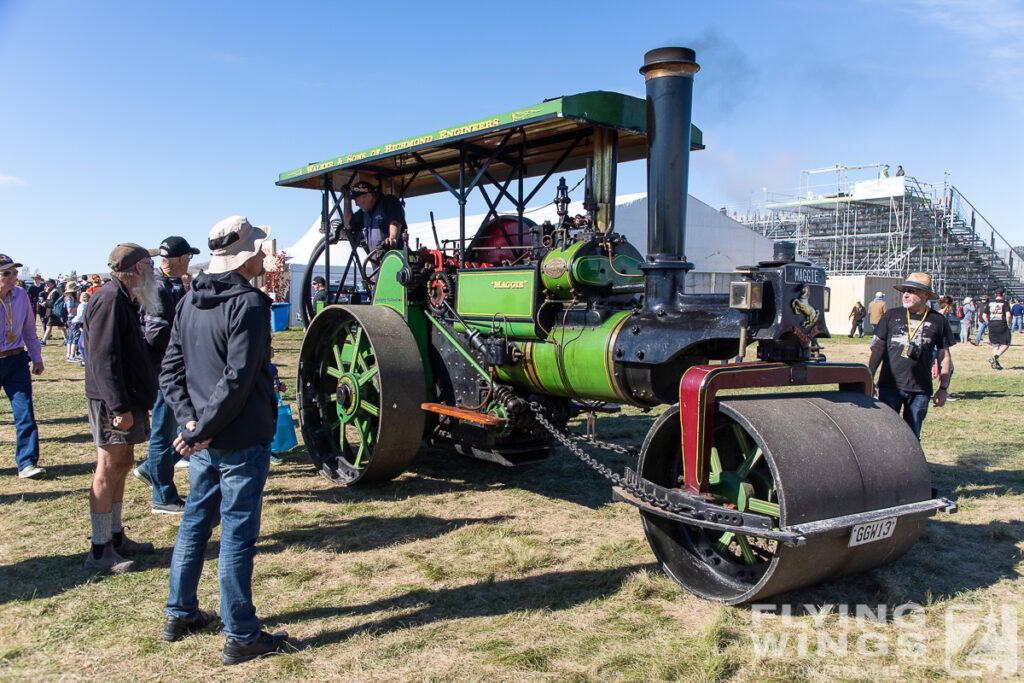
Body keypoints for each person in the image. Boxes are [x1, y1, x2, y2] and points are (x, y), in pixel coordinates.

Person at [160, 216, 288, 664]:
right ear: (245, 256)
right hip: (238, 437)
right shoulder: (249, 305)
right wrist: (202, 429)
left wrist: (192, 426)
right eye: (257, 247)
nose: (261, 253)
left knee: (195, 524)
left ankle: (180, 612)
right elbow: (238, 380)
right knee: (236, 535)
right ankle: (241, 633)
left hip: (206, 438)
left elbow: (171, 372)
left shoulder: (190, 299)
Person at [83, 243, 161, 574]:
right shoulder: (109, 299)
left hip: (126, 398)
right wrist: (118, 406)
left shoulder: (124, 298)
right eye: (150, 264)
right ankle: (100, 550)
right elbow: (103, 358)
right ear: (138, 269)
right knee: (109, 466)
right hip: (112, 401)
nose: (155, 271)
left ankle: (115, 537)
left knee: (123, 462)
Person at [133, 236, 200, 514]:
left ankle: (151, 468)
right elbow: (155, 332)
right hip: (165, 372)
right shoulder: (158, 287)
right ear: (181, 259)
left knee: (185, 430)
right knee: (163, 435)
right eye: (188, 257)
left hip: (177, 370)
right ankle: (163, 497)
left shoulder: (172, 284)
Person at [868, 272, 954, 439]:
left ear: (925, 295)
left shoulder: (938, 320)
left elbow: (944, 356)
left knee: (912, 436)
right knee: (885, 434)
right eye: (905, 290)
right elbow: (878, 348)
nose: (905, 295)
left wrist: (943, 388)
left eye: (912, 291)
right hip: (889, 386)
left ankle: (910, 465)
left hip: (920, 390)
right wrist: (868, 377)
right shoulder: (891, 315)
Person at [0, 255, 46, 479]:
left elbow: (29, 328)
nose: (13, 278)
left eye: (15, 273)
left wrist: (37, 358)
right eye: (6, 273)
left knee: (24, 411)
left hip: (16, 360)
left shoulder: (20, 295)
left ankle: (27, 463)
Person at [349, 181, 406, 253]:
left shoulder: (388, 203)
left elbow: (395, 222)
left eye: (357, 200)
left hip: (396, 260)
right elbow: (348, 224)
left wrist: (392, 241)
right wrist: (346, 199)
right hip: (378, 263)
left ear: (369, 196)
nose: (356, 204)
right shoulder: (364, 213)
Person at [983, 288, 1011, 370]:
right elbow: (1008, 315)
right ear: (1003, 294)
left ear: (995, 294)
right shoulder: (1005, 303)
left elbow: (984, 315)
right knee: (1006, 343)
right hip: (1002, 325)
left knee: (995, 345)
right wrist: (1008, 324)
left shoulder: (989, 303)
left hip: (992, 325)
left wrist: (989, 323)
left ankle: (996, 364)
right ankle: (995, 358)